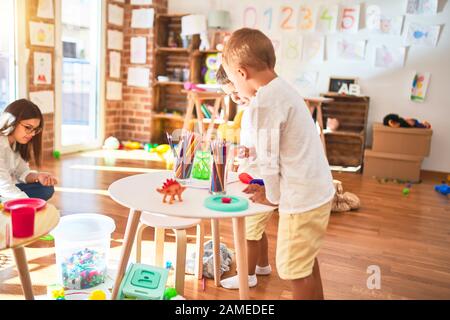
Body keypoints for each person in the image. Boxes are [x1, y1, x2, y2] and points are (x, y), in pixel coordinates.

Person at [221, 28, 335, 299]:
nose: (235, 89)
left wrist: (271, 197)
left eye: (233, 81)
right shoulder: (283, 89)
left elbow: (269, 161)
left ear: (241, 73)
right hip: (317, 191)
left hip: (301, 199)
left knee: (294, 270)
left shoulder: (264, 103)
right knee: (305, 262)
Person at [216, 65, 273, 289]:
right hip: (254, 176)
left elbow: (269, 146)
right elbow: (255, 144)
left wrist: (251, 152)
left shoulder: (260, 109)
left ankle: (247, 277)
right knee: (257, 228)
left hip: (262, 181)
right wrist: (246, 151)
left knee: (250, 232)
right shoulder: (248, 111)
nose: (235, 97)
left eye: (236, 91)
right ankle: (262, 266)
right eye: (230, 94)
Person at [0, 99, 58, 201]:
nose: (32, 134)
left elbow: (22, 172)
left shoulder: (18, 142)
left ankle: (9, 203)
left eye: (35, 129)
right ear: (12, 121)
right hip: (3, 189)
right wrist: (30, 203)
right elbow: (4, 186)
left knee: (46, 189)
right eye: (28, 127)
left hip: (5, 190)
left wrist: (38, 176)